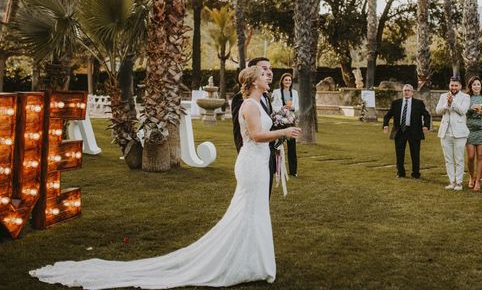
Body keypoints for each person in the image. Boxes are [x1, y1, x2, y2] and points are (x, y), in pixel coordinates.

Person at [30, 66, 301, 289]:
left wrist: (278, 135)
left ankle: (253, 260)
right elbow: (254, 136)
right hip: (252, 166)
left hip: (257, 162)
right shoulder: (251, 106)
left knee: (254, 212)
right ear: (253, 83)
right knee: (248, 211)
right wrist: (283, 133)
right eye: (264, 76)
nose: (269, 79)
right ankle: (244, 261)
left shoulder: (257, 103)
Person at [231, 57, 279, 196]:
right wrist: (246, 157)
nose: (269, 72)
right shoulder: (242, 99)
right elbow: (238, 131)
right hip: (253, 157)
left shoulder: (265, 97)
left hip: (266, 155)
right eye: (264, 70)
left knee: (263, 199)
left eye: (270, 69)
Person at [383, 84, 431, 179]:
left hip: (414, 131)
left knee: (415, 153)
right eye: (405, 90)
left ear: (412, 92)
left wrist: (425, 126)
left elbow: (426, 115)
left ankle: (415, 173)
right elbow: (388, 115)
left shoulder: (418, 103)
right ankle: (400, 173)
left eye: (408, 90)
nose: (406, 92)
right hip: (400, 131)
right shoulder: (396, 103)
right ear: (402, 92)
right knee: (399, 153)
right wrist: (385, 124)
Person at [436, 76, 470, 190]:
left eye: (456, 85)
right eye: (452, 85)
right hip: (445, 133)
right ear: (449, 85)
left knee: (459, 159)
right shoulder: (443, 96)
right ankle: (452, 182)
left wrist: (453, 102)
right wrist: (447, 104)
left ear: (460, 86)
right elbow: (437, 111)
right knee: (448, 159)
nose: (454, 87)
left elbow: (463, 111)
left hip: (460, 133)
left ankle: (459, 183)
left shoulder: (466, 97)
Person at [464, 76, 482, 191]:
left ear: (481, 86)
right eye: (474, 85)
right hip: (469, 130)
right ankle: (471, 177)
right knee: (471, 157)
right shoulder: (467, 98)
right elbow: (463, 112)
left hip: (481, 130)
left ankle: (478, 182)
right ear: (471, 86)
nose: (476, 86)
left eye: (478, 84)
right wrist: (471, 109)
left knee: (480, 156)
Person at [272, 73, 300, 177]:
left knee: (292, 147)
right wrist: (282, 108)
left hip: (290, 121)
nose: (288, 82)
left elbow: (296, 107)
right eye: (286, 80)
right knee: (278, 146)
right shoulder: (276, 92)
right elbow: (273, 106)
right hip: (280, 121)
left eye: (289, 80)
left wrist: (291, 108)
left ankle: (293, 172)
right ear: (282, 81)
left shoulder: (295, 93)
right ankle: (276, 170)